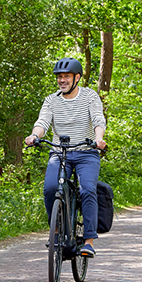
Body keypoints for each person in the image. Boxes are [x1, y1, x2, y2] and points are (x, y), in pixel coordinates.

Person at [24, 58, 106, 258]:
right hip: (60, 153)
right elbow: (43, 121)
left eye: (66, 77)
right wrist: (35, 135)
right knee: (51, 188)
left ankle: (88, 241)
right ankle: (58, 229)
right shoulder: (51, 100)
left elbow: (98, 119)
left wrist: (99, 139)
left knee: (87, 189)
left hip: (87, 152)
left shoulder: (89, 96)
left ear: (77, 78)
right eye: (59, 77)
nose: (62, 80)